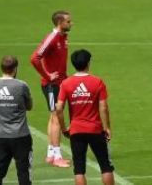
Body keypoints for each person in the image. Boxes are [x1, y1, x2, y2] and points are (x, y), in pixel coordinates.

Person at [56, 49, 116, 185]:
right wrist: (106, 127)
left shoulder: (66, 83)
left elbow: (59, 108)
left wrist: (64, 128)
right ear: (88, 63)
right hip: (95, 129)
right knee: (105, 166)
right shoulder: (97, 82)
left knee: (79, 169)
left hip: (76, 130)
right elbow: (104, 107)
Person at [30, 10, 72, 168]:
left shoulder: (63, 37)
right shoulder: (52, 38)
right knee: (56, 117)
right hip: (51, 85)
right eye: (68, 21)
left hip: (59, 83)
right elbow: (35, 58)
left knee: (53, 116)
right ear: (60, 23)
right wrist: (47, 75)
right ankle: (57, 156)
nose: (71, 23)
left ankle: (50, 153)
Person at [0, 55, 34, 185]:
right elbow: (29, 106)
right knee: (24, 172)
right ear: (15, 69)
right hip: (21, 135)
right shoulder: (21, 86)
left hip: (1, 136)